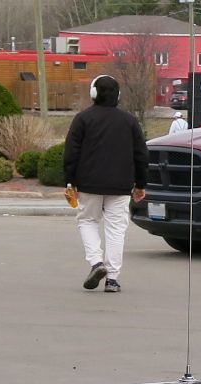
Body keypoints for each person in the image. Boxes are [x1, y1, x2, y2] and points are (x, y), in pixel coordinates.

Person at [63, 75, 147, 294]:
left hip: (89, 183)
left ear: (93, 93)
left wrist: (69, 182)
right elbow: (141, 154)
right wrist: (141, 184)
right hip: (121, 185)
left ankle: (96, 262)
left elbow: (71, 153)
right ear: (118, 96)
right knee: (116, 229)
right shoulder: (129, 121)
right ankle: (112, 278)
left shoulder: (82, 119)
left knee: (87, 221)